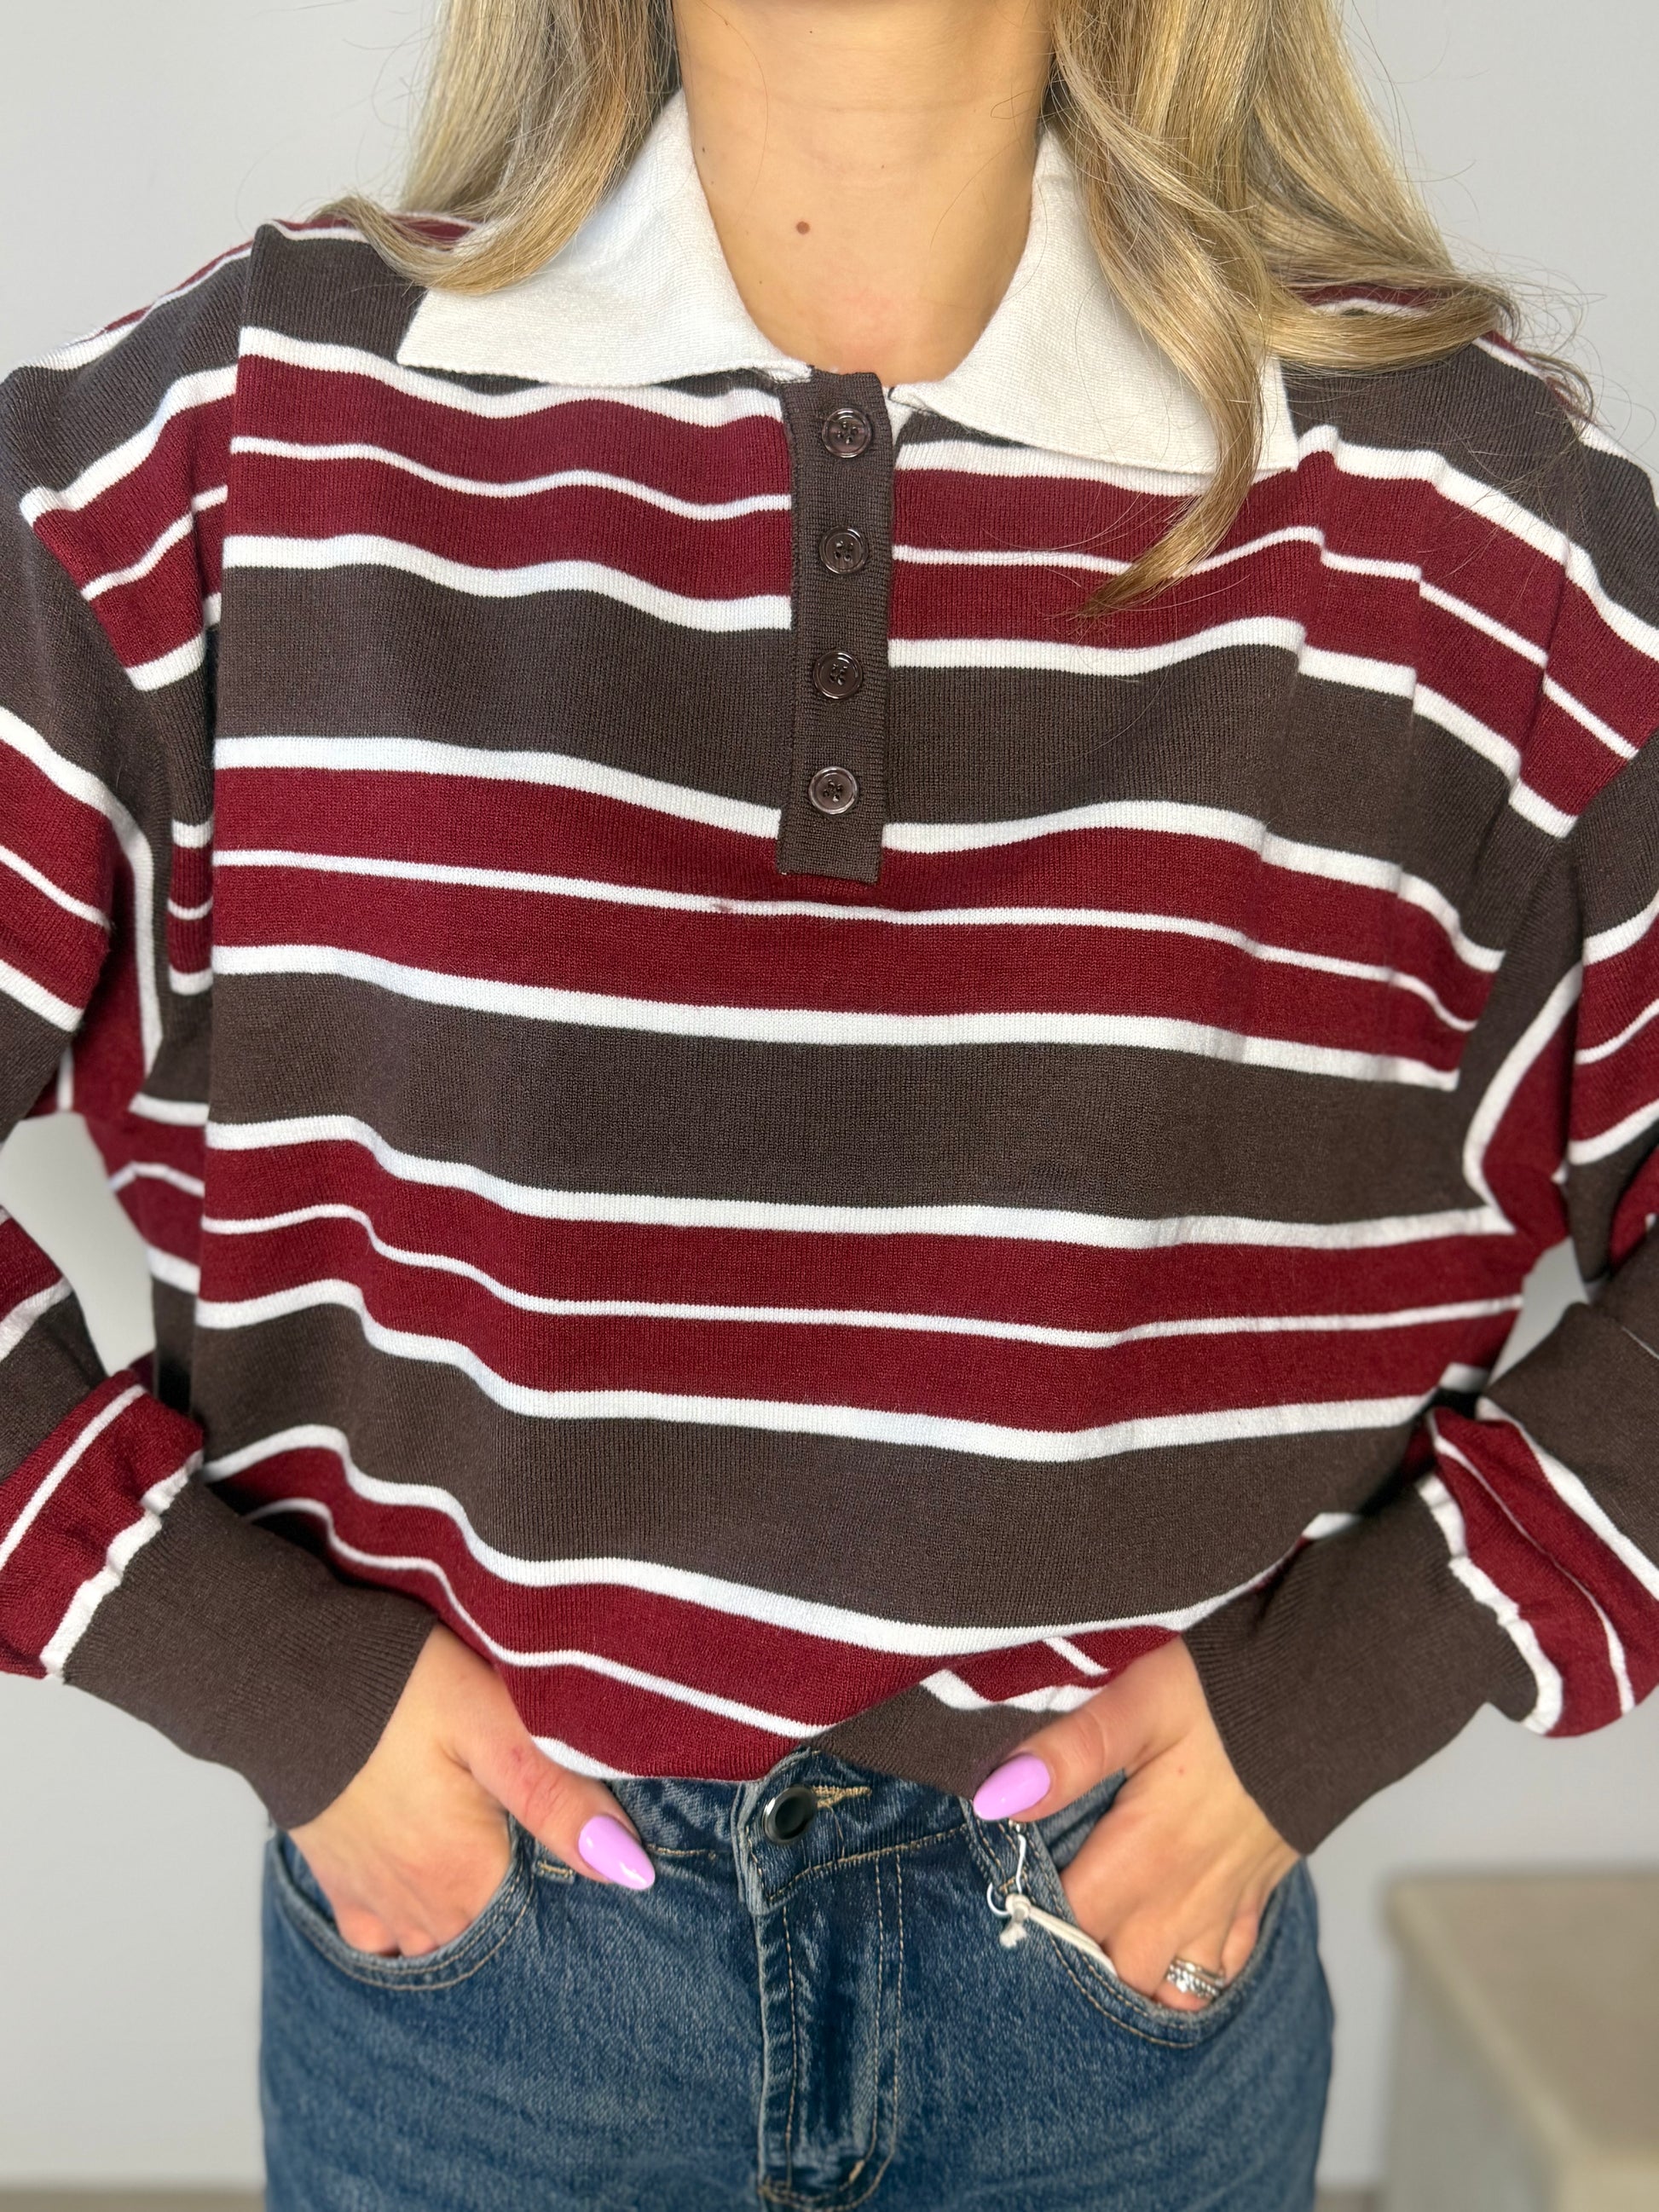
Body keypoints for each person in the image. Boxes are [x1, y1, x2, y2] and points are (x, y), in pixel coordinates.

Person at [3, 0, 1656, 2200]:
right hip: (481, 1994)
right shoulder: (247, 431)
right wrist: (224, 1655)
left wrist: (1361, 1680)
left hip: (1120, 2001)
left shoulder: (1468, 517)